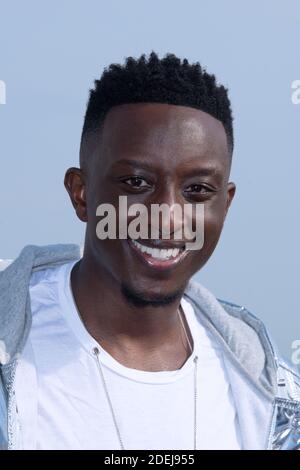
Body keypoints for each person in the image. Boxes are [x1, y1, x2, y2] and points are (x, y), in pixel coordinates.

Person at [0, 52, 299, 450]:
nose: (167, 217)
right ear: (82, 193)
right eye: (136, 182)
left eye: (198, 190)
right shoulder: (15, 353)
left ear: (225, 205)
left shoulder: (265, 390)